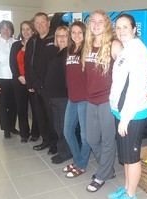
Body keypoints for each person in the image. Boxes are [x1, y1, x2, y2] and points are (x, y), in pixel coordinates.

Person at [108, 14, 147, 199]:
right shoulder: (127, 50)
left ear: (134, 29)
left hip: (132, 115)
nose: (122, 30)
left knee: (132, 157)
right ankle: (126, 188)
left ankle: (131, 195)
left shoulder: (138, 51)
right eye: (118, 27)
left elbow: (135, 88)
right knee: (125, 156)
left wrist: (125, 119)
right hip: (123, 112)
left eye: (126, 26)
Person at [82, 10, 123, 192]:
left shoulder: (114, 45)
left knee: (107, 140)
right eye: (93, 21)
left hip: (108, 100)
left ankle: (101, 176)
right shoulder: (88, 44)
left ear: (106, 24)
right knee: (91, 139)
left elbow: (127, 72)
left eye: (100, 21)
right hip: (91, 100)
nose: (96, 24)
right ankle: (108, 169)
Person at [24, 12, 57, 155]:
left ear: (48, 23)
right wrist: (29, 83)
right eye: (37, 23)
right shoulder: (32, 41)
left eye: (42, 22)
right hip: (36, 86)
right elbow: (27, 63)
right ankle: (46, 141)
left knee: (52, 116)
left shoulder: (55, 39)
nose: (39, 25)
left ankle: (55, 143)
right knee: (40, 115)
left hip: (51, 87)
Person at [63, 21, 91, 176]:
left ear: (85, 33)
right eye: (73, 32)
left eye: (79, 32)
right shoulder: (70, 50)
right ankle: (79, 160)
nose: (76, 35)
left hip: (85, 99)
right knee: (67, 131)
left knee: (85, 136)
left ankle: (81, 165)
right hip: (72, 97)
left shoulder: (87, 51)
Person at [44, 26, 72, 164]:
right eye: (59, 36)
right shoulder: (58, 52)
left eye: (65, 35)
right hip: (54, 96)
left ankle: (66, 153)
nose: (61, 38)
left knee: (63, 128)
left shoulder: (69, 54)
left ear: (70, 37)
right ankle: (63, 150)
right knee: (58, 126)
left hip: (63, 97)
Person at [9, 21, 40, 143]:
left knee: (35, 108)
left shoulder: (37, 44)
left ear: (33, 30)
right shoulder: (16, 45)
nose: (26, 32)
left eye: (28, 29)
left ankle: (36, 133)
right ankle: (24, 133)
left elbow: (37, 65)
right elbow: (12, 63)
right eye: (23, 29)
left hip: (32, 82)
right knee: (21, 108)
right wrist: (19, 76)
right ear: (21, 31)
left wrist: (30, 79)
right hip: (18, 81)